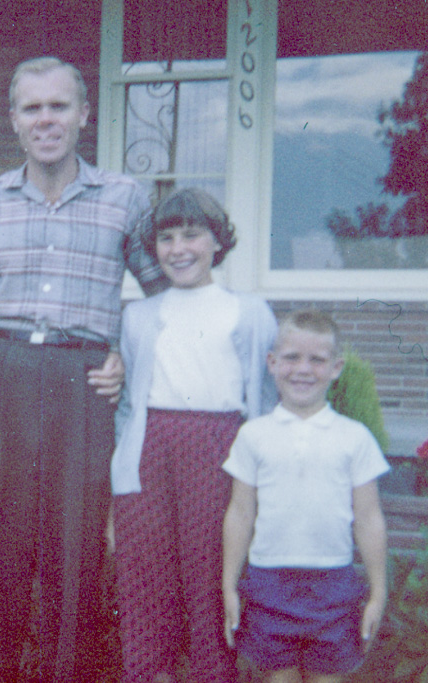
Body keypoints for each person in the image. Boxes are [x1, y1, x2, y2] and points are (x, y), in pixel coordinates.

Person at [0, 56, 168, 682]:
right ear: (13, 120)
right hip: (3, 371)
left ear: (84, 114)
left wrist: (125, 353)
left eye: (58, 106)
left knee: (77, 547)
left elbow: (163, 298)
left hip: (83, 379)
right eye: (32, 108)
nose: (46, 120)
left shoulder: (124, 197)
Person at [109, 187, 278, 682]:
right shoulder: (139, 315)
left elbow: (264, 400)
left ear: (217, 242)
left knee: (208, 577)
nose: (178, 248)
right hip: (149, 450)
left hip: (217, 448)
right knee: (144, 581)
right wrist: (122, 468)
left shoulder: (248, 311)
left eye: (192, 235)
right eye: (166, 238)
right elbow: (127, 405)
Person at [221, 309, 389, 683]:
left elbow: (369, 518)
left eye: (317, 359)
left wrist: (378, 591)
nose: (303, 369)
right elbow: (240, 513)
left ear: (336, 368)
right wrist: (229, 584)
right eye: (292, 357)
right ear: (272, 363)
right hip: (268, 582)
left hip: (333, 582)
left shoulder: (354, 437)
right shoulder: (253, 435)